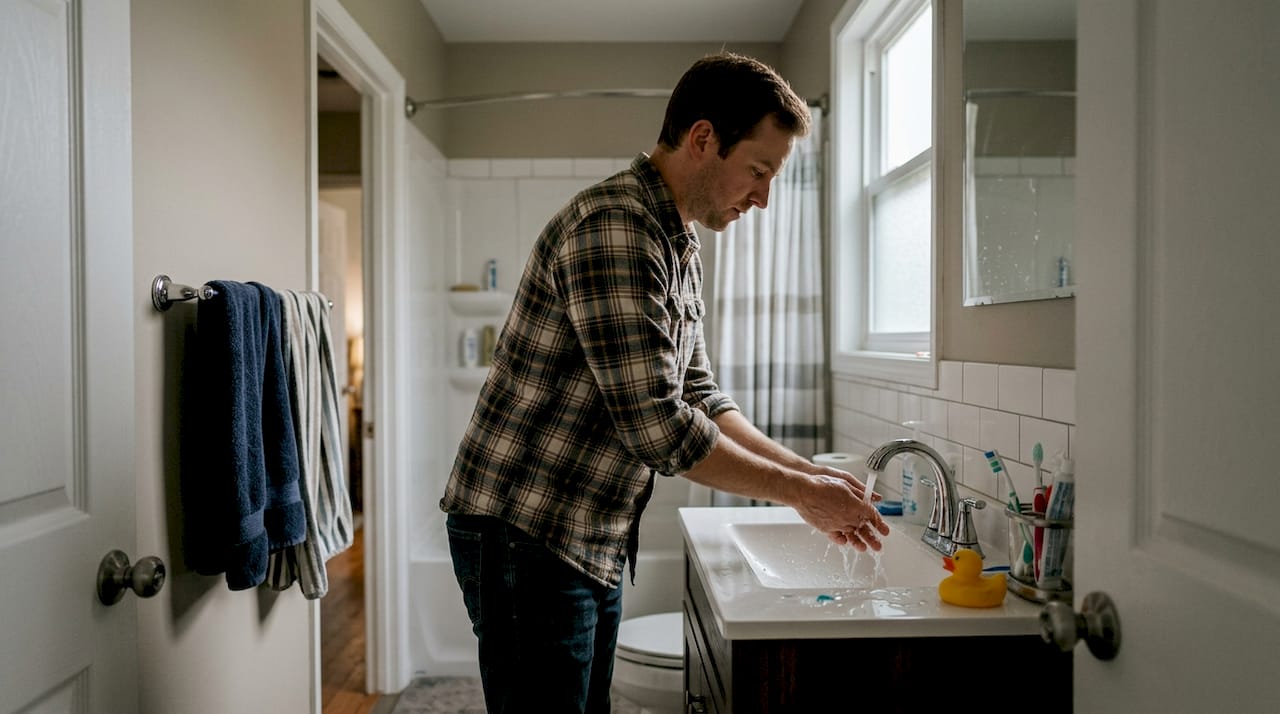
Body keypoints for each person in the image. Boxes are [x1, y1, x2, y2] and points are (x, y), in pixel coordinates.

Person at [439, 51, 889, 714]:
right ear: (704, 139)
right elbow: (659, 428)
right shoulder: (618, 228)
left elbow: (699, 394)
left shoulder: (677, 243)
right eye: (758, 171)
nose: (763, 198)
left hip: (587, 533)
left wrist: (806, 475)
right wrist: (804, 494)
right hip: (525, 532)